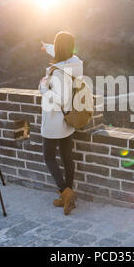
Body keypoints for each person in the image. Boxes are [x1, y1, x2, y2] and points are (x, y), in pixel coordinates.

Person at [39, 31, 83, 215]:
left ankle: (65, 192)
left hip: (54, 120)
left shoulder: (57, 72)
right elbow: (62, 53)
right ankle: (69, 192)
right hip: (68, 119)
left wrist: (43, 88)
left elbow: (59, 98)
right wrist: (47, 46)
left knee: (48, 156)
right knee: (67, 157)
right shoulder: (76, 64)